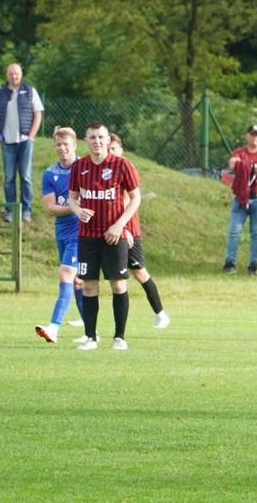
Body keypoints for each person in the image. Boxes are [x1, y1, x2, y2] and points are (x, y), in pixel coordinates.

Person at [68, 121, 142, 351]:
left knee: (118, 285)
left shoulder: (122, 165)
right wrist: (78, 210)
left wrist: (120, 226)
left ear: (109, 140)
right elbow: (72, 198)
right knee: (89, 286)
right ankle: (91, 337)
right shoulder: (79, 167)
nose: (97, 141)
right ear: (86, 141)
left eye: (101, 137)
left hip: (114, 236)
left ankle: (120, 337)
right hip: (87, 236)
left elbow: (136, 198)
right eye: (92, 137)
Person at [109, 134, 169, 328]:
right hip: (109, 230)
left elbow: (128, 198)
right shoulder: (101, 168)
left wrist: (123, 227)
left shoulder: (125, 167)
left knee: (139, 272)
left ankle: (160, 313)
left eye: (113, 149)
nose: (110, 152)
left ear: (121, 150)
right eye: (108, 148)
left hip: (128, 230)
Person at [35, 127, 85, 344]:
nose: (62, 148)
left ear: (74, 145)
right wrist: (74, 206)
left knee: (65, 274)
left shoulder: (85, 169)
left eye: (66, 144)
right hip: (62, 232)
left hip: (82, 232)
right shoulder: (50, 174)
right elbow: (50, 208)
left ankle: (53, 328)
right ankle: (91, 332)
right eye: (59, 144)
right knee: (77, 282)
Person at [0, 63, 43, 223]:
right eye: (11, 74)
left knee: (26, 177)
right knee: (9, 178)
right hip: (7, 143)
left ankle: (26, 210)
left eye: (17, 73)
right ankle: (10, 210)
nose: (14, 76)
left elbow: (38, 114)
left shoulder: (30, 91)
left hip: (25, 141)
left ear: (21, 74)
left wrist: (31, 136)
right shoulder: (0, 94)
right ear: (7, 75)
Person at [223, 125, 257, 275]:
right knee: (234, 231)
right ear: (247, 136)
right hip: (240, 198)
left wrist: (244, 166)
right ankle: (229, 263)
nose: (254, 137)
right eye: (252, 134)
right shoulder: (239, 152)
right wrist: (253, 167)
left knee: (256, 233)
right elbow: (232, 164)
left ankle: (253, 265)